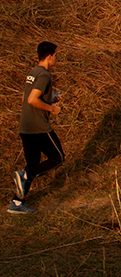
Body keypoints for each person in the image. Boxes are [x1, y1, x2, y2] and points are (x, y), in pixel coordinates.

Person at [11, 41, 65, 214]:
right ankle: (25, 175)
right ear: (49, 56)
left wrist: (51, 98)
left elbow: (26, 98)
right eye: (55, 55)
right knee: (58, 158)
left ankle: (17, 203)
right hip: (38, 127)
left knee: (33, 164)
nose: (56, 58)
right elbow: (32, 100)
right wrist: (52, 108)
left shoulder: (33, 72)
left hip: (25, 126)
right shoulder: (44, 75)